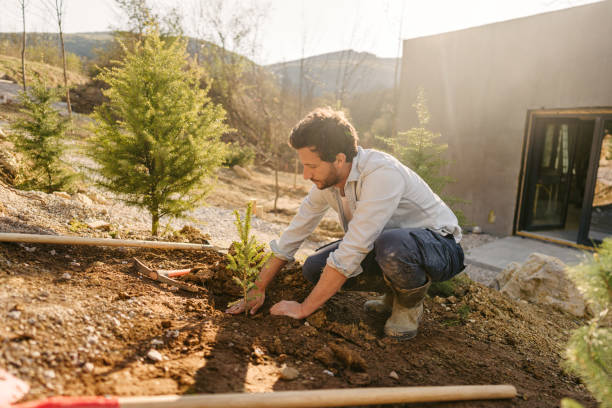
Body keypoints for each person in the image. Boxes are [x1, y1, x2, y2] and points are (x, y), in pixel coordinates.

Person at [226, 107, 465, 340]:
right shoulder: (328, 183)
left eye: (311, 166)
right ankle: (391, 294)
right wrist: (258, 287)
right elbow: (293, 236)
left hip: (439, 247)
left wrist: (303, 309)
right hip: (386, 245)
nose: (305, 175)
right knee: (313, 268)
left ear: (339, 159)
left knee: (391, 246)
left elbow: (354, 249)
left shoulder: (381, 174)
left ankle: (408, 306)